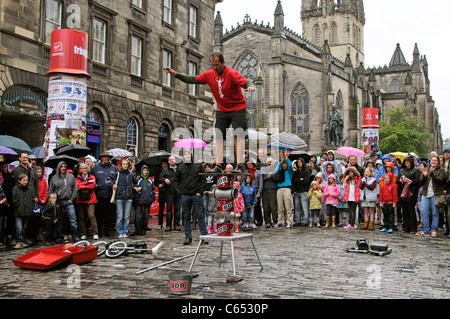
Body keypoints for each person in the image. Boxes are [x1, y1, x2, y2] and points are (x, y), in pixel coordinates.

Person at [163, 51, 256, 174]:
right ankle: (218, 164)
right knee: (219, 136)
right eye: (213, 65)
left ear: (223, 63)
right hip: (222, 109)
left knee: (238, 135)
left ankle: (239, 165)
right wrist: (176, 74)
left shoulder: (232, 73)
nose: (215, 67)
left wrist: (249, 86)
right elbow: (192, 79)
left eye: (217, 65)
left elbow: (245, 82)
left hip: (238, 107)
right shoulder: (209, 75)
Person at [173, 151, 207, 245]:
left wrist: (200, 192)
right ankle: (188, 237)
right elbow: (176, 181)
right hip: (185, 195)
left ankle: (204, 236)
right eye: (185, 154)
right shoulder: (180, 167)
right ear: (183, 156)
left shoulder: (198, 166)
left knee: (200, 215)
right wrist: (180, 193)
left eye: (189, 154)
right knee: (186, 217)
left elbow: (203, 179)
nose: (187, 156)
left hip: (196, 195)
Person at [417, 155, 446, 237]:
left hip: (435, 194)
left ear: (438, 162)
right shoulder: (426, 169)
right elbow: (421, 182)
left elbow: (440, 181)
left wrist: (432, 174)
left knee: (434, 212)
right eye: (432, 160)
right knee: (424, 211)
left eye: (435, 161)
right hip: (426, 193)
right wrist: (424, 175)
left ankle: (434, 229)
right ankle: (426, 229)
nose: (433, 162)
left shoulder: (441, 170)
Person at [49, 161, 79, 242]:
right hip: (58, 202)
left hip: (68, 201)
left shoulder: (70, 176)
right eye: (61, 166)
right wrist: (52, 201)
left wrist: (71, 199)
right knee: (59, 221)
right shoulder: (54, 178)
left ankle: (75, 235)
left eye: (64, 166)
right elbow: (51, 190)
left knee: (73, 219)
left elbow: (74, 189)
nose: (63, 168)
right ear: (58, 167)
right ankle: (61, 236)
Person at [107, 159, 135, 238]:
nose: (125, 165)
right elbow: (107, 179)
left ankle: (125, 231)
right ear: (121, 165)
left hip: (128, 197)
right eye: (124, 164)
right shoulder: (118, 174)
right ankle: (120, 232)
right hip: (119, 196)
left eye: (126, 164)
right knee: (120, 216)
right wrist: (112, 185)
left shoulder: (130, 175)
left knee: (126, 216)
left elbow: (135, 182)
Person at [92, 152, 118, 237]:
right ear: (101, 158)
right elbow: (92, 179)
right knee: (99, 215)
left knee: (110, 215)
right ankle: (99, 231)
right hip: (99, 195)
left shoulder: (114, 168)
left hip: (111, 195)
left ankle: (108, 231)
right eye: (105, 157)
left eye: (108, 157)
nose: (107, 158)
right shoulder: (95, 168)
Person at [397, 155, 421, 234]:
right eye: (405, 161)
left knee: (411, 209)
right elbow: (397, 180)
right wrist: (401, 180)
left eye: (408, 161)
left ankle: (413, 227)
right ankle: (405, 226)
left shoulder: (415, 170)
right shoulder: (402, 170)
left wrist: (409, 180)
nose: (407, 163)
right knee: (404, 210)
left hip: (411, 192)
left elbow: (417, 181)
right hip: (403, 192)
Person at [75, 163, 99, 240]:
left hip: (90, 198)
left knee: (91, 215)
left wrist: (83, 186)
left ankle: (95, 233)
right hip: (80, 199)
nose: (85, 170)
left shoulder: (92, 177)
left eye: (86, 168)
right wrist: (87, 183)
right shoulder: (77, 178)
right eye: (83, 168)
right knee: (81, 217)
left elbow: (92, 186)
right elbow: (77, 186)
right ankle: (83, 233)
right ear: (80, 170)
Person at [158, 156, 181, 231]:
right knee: (169, 209)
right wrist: (165, 179)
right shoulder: (165, 170)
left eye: (173, 159)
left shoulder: (179, 169)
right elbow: (160, 178)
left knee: (177, 209)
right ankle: (168, 225)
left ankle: (176, 224)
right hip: (169, 191)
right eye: (170, 160)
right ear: (168, 162)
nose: (171, 161)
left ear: (175, 160)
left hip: (178, 191)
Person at [12, 174, 34, 248]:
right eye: (23, 180)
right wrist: (18, 206)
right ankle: (19, 240)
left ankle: (23, 240)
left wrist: (31, 206)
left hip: (27, 210)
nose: (25, 182)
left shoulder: (30, 189)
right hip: (19, 211)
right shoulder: (15, 189)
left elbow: (32, 199)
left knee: (24, 227)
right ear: (19, 181)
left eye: (26, 180)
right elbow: (15, 200)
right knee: (19, 227)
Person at [134, 165, 156, 236]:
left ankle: (144, 228)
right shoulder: (138, 179)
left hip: (147, 200)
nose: (145, 172)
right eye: (144, 170)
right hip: (139, 200)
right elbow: (134, 188)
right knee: (138, 216)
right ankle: (138, 229)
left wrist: (152, 198)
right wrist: (137, 196)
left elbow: (153, 190)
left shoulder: (150, 180)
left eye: (146, 170)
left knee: (146, 216)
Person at [275, 154, 294, 228]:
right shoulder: (280, 171)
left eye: (285, 164)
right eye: (283, 164)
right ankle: (279, 221)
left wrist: (287, 158)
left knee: (288, 206)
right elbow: (277, 169)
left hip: (287, 189)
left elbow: (290, 166)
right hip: (279, 189)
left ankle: (289, 221)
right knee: (280, 207)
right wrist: (281, 161)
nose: (284, 165)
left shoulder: (289, 171)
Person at [292, 158, 311, 226]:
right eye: (298, 162)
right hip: (297, 191)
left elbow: (306, 181)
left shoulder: (306, 171)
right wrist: (300, 179)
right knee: (297, 207)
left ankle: (305, 220)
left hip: (304, 191)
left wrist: (299, 180)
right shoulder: (295, 172)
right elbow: (293, 181)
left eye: (300, 162)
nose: (299, 163)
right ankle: (297, 220)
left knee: (304, 207)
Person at [244, 160, 263, 226]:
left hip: (256, 190)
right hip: (248, 191)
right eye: (247, 164)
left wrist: (259, 193)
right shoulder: (246, 172)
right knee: (249, 206)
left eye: (250, 163)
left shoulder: (258, 172)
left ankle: (259, 220)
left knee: (257, 206)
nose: (249, 164)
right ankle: (251, 220)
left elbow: (261, 183)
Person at [261, 157, 278, 228]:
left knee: (273, 207)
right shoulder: (263, 170)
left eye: (271, 162)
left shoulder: (275, 170)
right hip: (265, 190)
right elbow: (261, 180)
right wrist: (268, 176)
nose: (269, 163)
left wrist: (272, 177)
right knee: (266, 207)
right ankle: (267, 222)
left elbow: (277, 179)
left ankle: (275, 221)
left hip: (273, 191)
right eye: (268, 162)